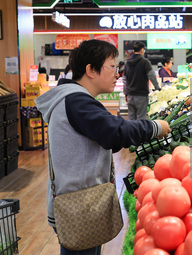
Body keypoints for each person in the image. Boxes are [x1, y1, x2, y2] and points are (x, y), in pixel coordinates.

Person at [35, 39, 171, 255]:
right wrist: (155, 127)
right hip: (79, 208)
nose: (118, 74)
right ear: (90, 70)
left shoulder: (73, 99)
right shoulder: (77, 102)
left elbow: (104, 137)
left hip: (75, 202)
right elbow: (115, 133)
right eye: (112, 66)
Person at [123, 41, 161, 120]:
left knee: (131, 118)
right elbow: (151, 75)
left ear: (133, 51)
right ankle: (139, 132)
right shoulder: (145, 62)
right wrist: (157, 87)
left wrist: (126, 93)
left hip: (130, 95)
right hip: (141, 95)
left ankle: (131, 132)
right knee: (141, 118)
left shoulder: (127, 63)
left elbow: (124, 80)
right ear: (142, 50)